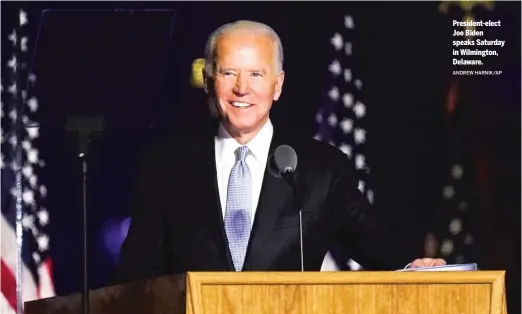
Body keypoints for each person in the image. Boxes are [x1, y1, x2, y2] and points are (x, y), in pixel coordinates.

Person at [113, 20, 445, 284]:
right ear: (207, 80)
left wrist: (413, 265)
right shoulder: (165, 168)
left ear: (278, 85)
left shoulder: (321, 169)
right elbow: (135, 279)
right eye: (229, 73)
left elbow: (377, 247)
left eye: (256, 74)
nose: (242, 88)